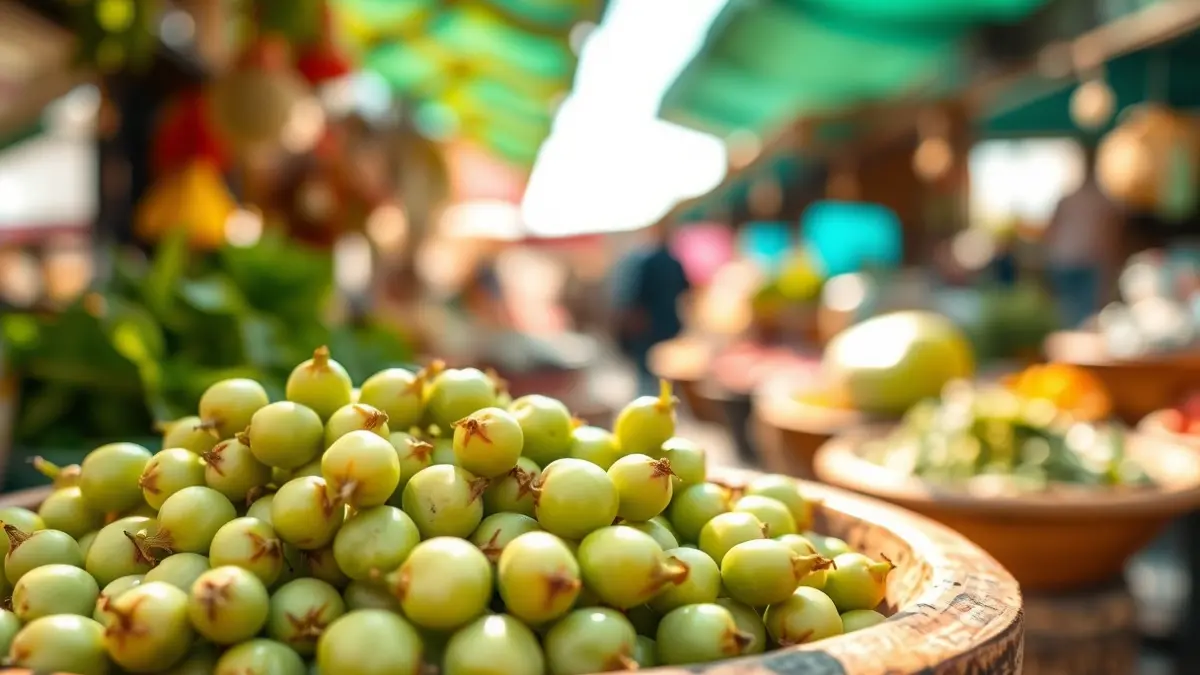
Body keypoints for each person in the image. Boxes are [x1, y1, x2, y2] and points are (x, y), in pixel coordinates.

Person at [1043, 143, 1125, 328]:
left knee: (1069, 311)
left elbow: (1051, 230)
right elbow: (1111, 234)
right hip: (1088, 260)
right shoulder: (1103, 199)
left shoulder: (1069, 198)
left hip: (1066, 259)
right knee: (1086, 313)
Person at [613, 221, 691, 396]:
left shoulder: (647, 262)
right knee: (666, 372)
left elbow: (636, 297)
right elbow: (686, 291)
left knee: (648, 373)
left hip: (650, 326)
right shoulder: (673, 262)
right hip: (669, 323)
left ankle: (650, 403)